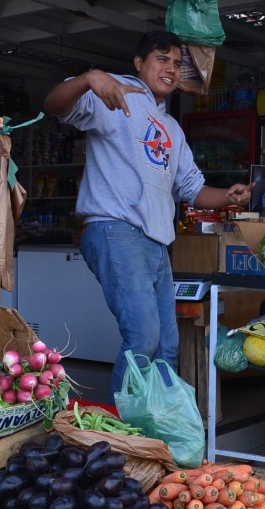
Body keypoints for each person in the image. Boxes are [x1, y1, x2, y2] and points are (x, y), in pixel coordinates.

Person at [44, 30, 254, 395]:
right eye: (162, 59)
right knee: (142, 338)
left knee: (166, 347)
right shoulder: (116, 93)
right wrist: (90, 77)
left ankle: (158, 427)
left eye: (176, 63)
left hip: (156, 243)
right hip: (116, 229)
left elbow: (193, 189)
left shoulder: (171, 128)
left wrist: (228, 197)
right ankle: (120, 433)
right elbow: (54, 104)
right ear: (139, 63)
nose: (171, 68)